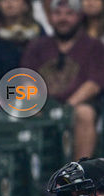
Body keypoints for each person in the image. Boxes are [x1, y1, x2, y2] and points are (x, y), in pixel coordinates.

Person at [22, 0, 104, 160]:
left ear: (79, 16)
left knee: (84, 113)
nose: (63, 19)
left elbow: (94, 83)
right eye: (57, 14)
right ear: (50, 17)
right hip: (43, 104)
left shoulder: (94, 46)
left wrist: (67, 107)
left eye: (69, 14)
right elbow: (26, 79)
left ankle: (79, 173)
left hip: (78, 105)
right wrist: (36, 104)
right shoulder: (37, 46)